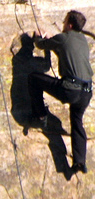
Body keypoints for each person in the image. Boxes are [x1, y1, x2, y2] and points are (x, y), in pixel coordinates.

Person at [28, 10, 93, 173]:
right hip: (86, 92)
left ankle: (40, 115)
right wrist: (53, 42)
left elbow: (40, 45)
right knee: (77, 122)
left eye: (64, 22)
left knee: (34, 79)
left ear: (69, 24)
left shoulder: (63, 38)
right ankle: (79, 161)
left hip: (70, 89)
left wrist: (38, 37)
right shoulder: (83, 41)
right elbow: (66, 51)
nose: (63, 24)